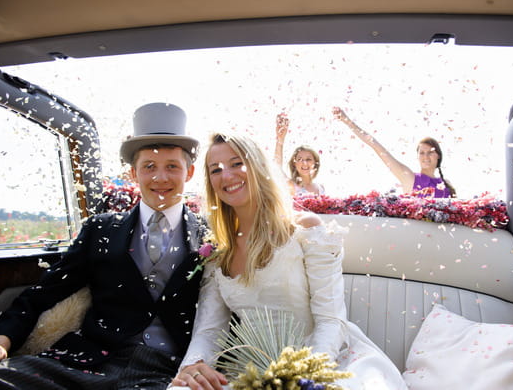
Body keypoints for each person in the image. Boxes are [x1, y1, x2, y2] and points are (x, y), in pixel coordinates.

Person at [0, 102, 207, 390]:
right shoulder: (100, 229)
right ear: (133, 174)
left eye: (172, 167)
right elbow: (44, 292)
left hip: (169, 370)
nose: (160, 178)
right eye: (149, 167)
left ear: (188, 172)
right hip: (86, 360)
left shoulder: (211, 235)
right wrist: (1, 339)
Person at [169, 133, 407, 390]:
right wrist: (194, 364)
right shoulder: (218, 251)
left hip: (321, 360)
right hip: (251, 370)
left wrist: (305, 376)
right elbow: (210, 329)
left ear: (258, 166)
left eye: (237, 163)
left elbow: (330, 319)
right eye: (215, 170)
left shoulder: (305, 230)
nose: (226, 176)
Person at [332, 107, 456, 198]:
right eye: (422, 153)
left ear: (438, 155)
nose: (426, 157)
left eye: (430, 152)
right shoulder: (408, 176)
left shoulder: (446, 184)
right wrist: (347, 121)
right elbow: (376, 146)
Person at [274, 112, 325, 196]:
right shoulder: (290, 185)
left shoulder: (321, 188)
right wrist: (280, 140)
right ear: (294, 164)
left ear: (315, 163)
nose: (304, 163)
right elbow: (276, 167)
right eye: (299, 159)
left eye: (308, 159)